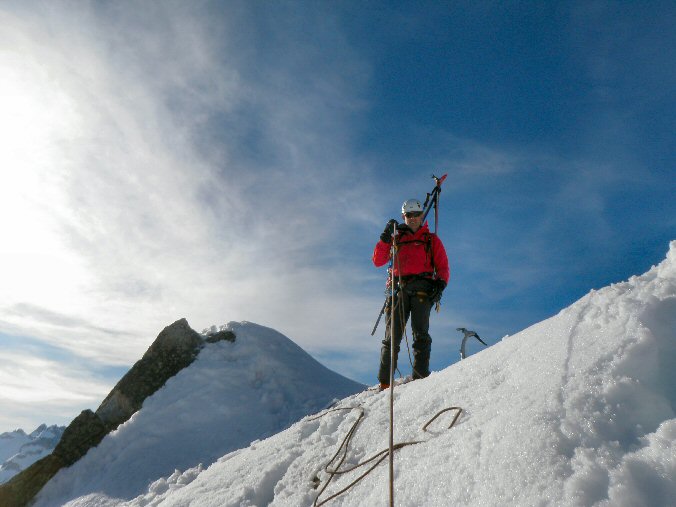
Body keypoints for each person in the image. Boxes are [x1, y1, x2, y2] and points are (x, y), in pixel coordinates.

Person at [372, 198, 450, 389]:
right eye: (409, 215)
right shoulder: (395, 239)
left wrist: (440, 285)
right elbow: (378, 260)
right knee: (392, 337)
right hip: (399, 289)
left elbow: (443, 267)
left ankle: (420, 377)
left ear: (422, 215)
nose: (413, 218)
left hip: (422, 290)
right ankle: (385, 382)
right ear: (403, 216)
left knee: (420, 334)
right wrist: (384, 238)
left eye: (416, 214)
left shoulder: (431, 240)